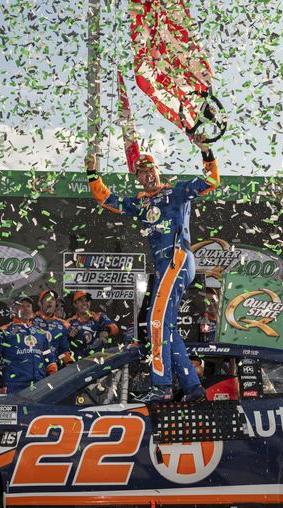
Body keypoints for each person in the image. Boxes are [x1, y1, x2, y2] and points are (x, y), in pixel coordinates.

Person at [86, 134, 217, 402]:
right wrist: (92, 173)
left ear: (158, 170)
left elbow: (212, 180)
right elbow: (106, 199)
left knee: (155, 322)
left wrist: (206, 151)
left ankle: (162, 386)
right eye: (141, 174)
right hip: (163, 267)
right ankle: (193, 389)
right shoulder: (141, 203)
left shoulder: (177, 191)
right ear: (138, 179)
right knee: (166, 327)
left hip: (177, 258)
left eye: (150, 171)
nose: (147, 177)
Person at [0, 296, 54, 393]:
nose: (26, 309)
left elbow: (50, 360)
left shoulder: (41, 333)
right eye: (22, 306)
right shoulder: (3, 332)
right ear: (14, 310)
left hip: (39, 388)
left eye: (28, 306)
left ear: (32, 310)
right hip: (13, 387)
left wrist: (53, 379)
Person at [67, 291, 118, 359]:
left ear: (90, 303)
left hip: (97, 362)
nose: (84, 303)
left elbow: (115, 328)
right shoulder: (69, 322)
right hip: (78, 363)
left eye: (87, 300)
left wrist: (106, 330)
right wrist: (69, 336)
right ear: (75, 304)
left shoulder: (99, 316)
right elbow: (61, 342)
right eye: (81, 301)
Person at [32, 289, 73, 366]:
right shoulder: (30, 320)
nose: (50, 301)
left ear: (55, 304)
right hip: (34, 366)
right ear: (40, 303)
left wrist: (68, 362)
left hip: (54, 368)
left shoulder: (61, 324)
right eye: (47, 298)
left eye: (53, 299)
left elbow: (63, 350)